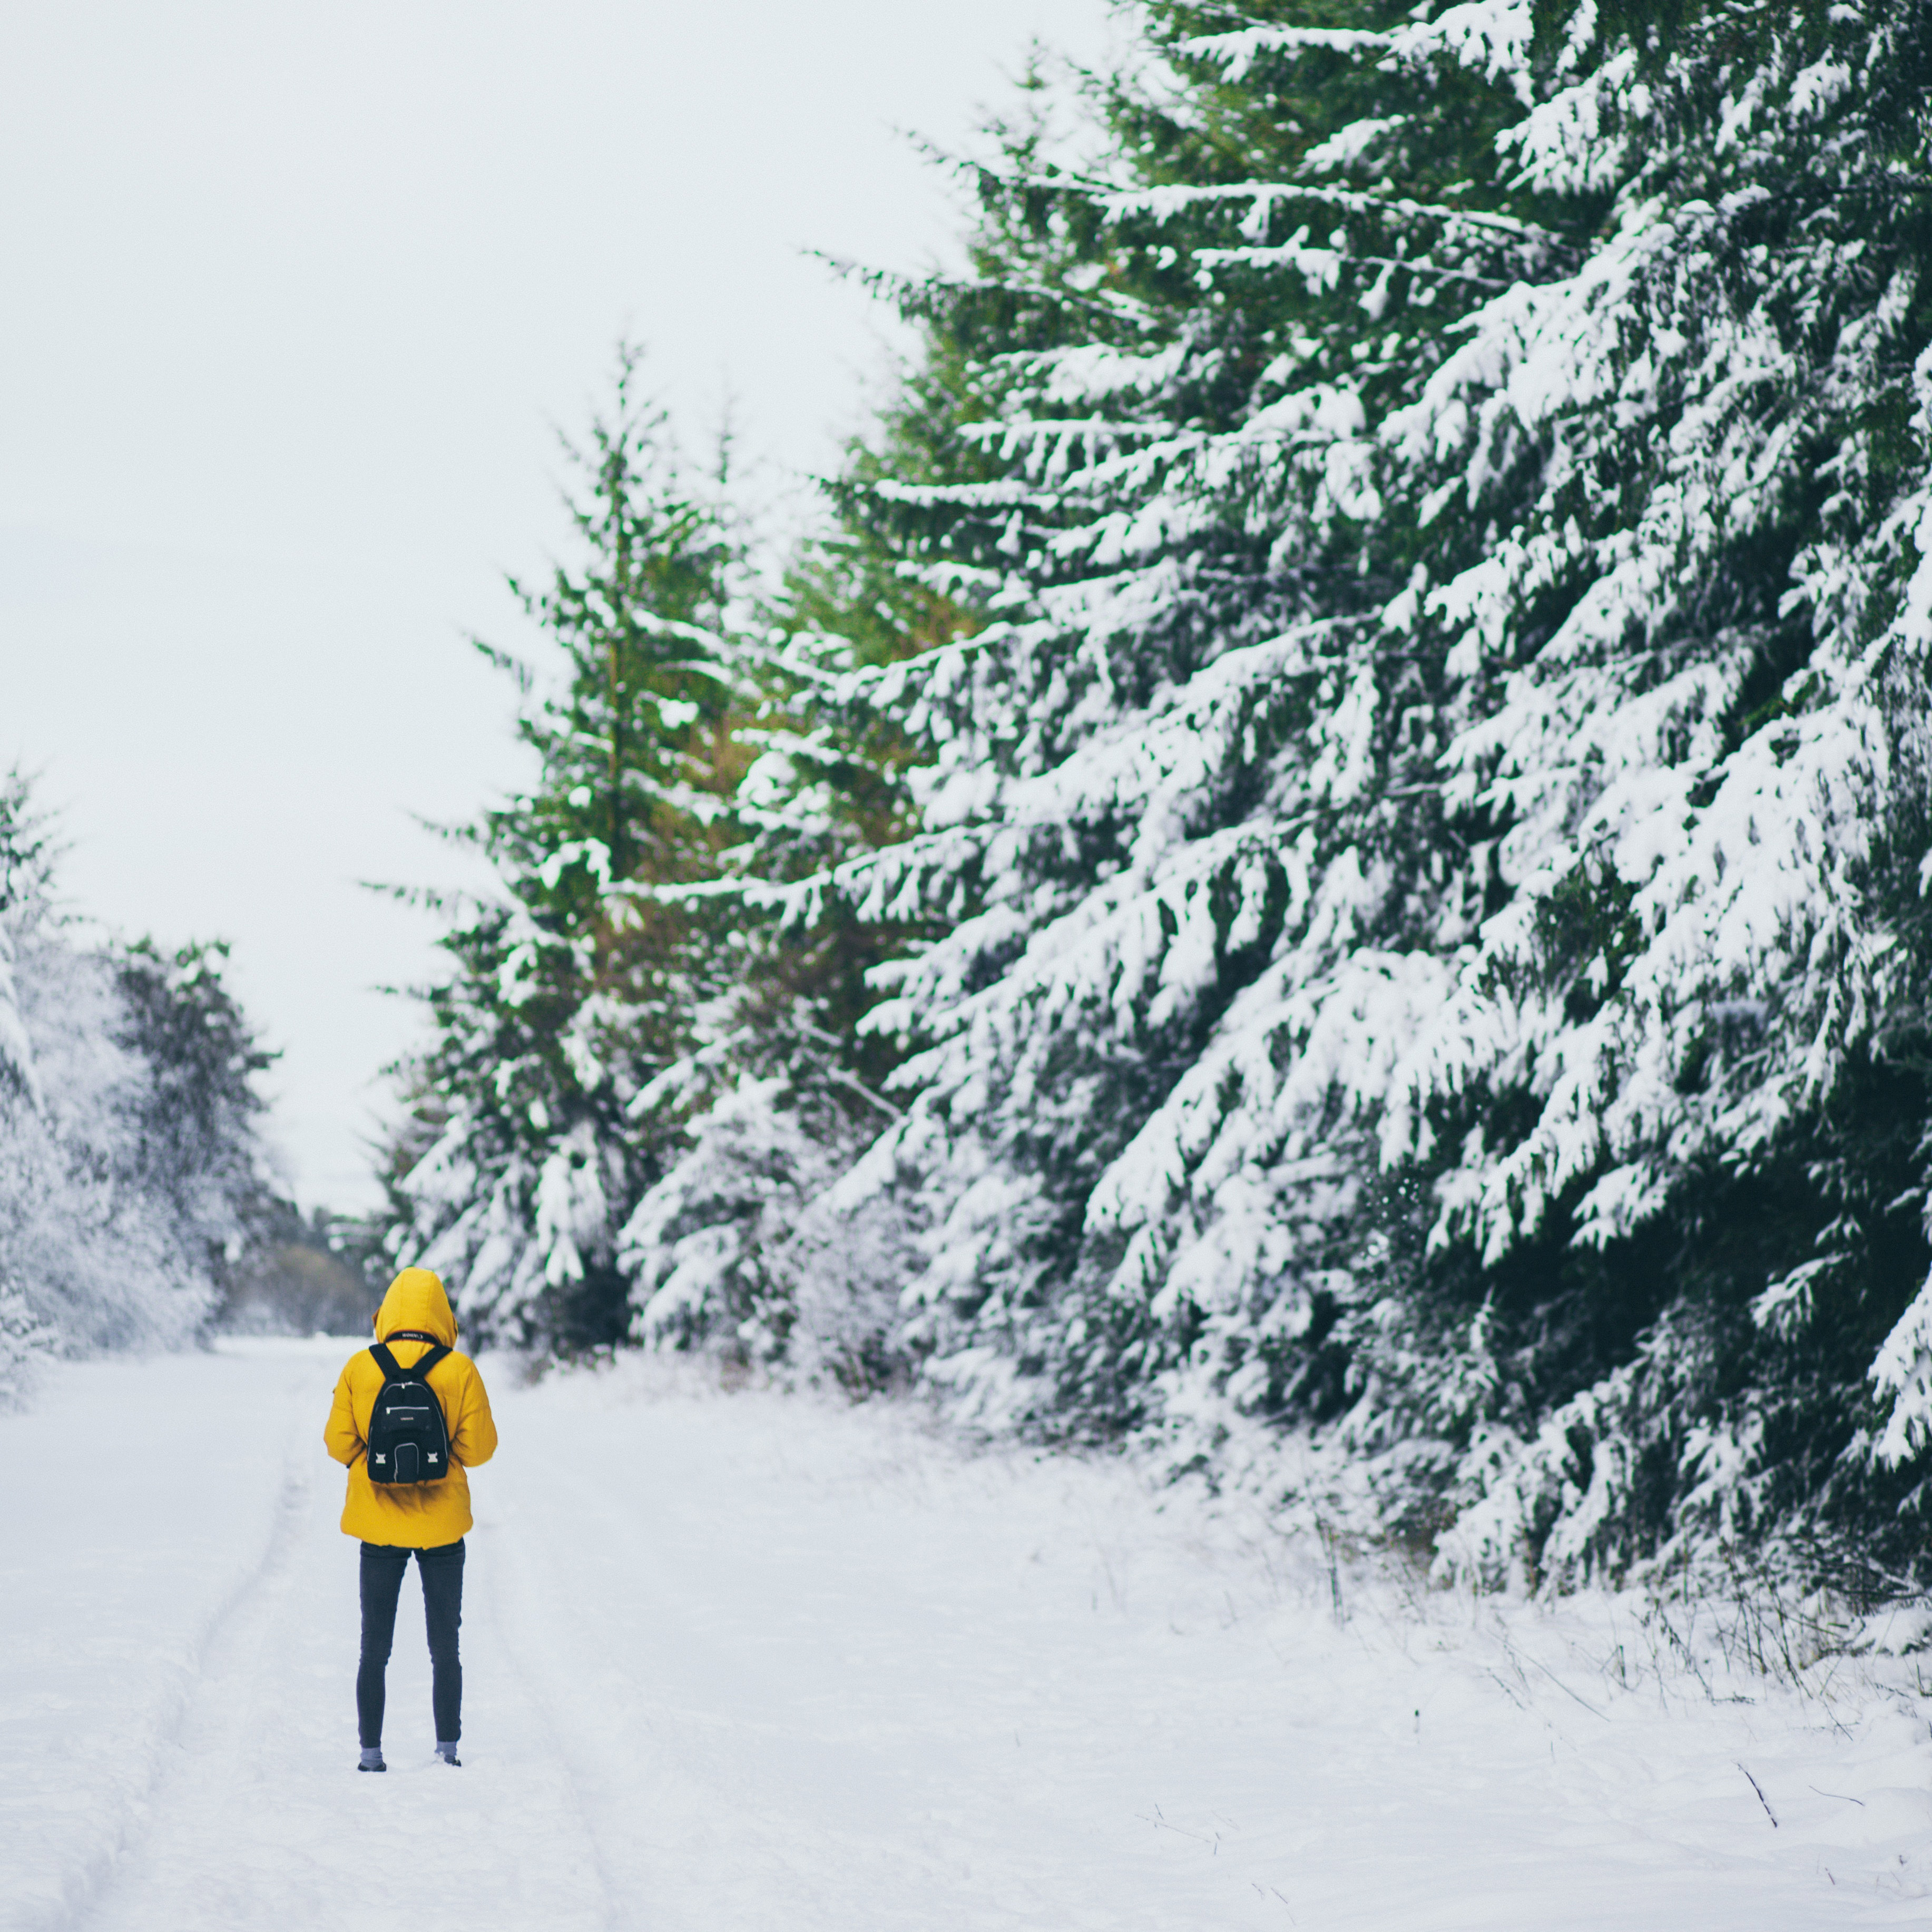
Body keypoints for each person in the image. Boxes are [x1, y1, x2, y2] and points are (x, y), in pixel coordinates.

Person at [325, 1267, 497, 1772]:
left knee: (373, 1645)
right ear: (442, 1315)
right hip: (443, 1527)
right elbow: (480, 1449)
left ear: (388, 1311)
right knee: (446, 1645)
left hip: (377, 1526)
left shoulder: (361, 1366)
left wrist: (373, 1459)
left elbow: (338, 1444)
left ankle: (371, 1753)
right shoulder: (459, 1369)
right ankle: (447, 1749)